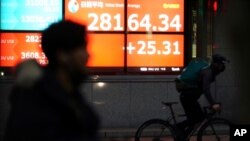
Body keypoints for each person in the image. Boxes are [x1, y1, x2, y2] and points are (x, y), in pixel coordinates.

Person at [4, 21, 100, 141]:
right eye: (82, 48)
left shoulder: (68, 94)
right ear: (62, 55)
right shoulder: (35, 106)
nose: (88, 55)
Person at [176, 54, 229, 138]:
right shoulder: (208, 71)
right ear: (216, 64)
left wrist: (213, 103)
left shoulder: (208, 70)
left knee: (194, 120)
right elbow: (206, 89)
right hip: (188, 98)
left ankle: (182, 137)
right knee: (198, 118)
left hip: (189, 97)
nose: (222, 68)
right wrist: (213, 104)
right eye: (221, 65)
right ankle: (178, 127)